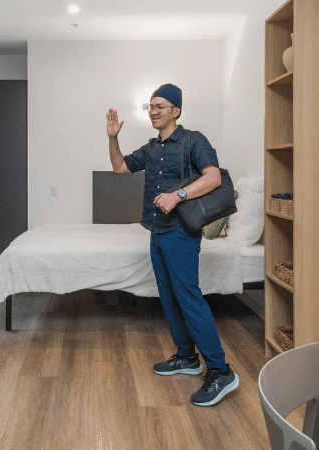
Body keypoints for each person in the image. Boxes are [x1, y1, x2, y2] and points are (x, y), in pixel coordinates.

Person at [106, 84, 239, 406]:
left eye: (161, 106)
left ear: (176, 110)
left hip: (181, 232)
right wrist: (113, 137)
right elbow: (120, 167)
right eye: (150, 106)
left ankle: (221, 372)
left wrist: (178, 195)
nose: (154, 111)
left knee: (189, 298)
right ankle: (187, 358)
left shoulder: (194, 140)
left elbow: (214, 177)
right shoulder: (151, 148)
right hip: (157, 231)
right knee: (168, 297)